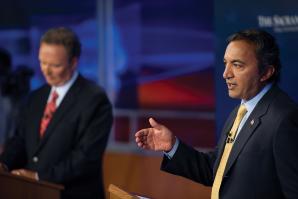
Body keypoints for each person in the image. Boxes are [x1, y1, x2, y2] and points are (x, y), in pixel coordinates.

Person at [135, 29, 298, 199]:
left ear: (266, 72)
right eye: (226, 63)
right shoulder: (241, 111)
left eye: (237, 65)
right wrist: (172, 146)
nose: (226, 74)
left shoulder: (285, 119)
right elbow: (217, 170)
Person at [0, 27, 113, 199]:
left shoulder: (95, 99)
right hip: (31, 193)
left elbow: (86, 158)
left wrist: (39, 177)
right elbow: (20, 139)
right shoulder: (36, 97)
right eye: (42, 62)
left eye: (55, 65)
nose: (46, 70)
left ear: (73, 62)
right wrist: (4, 164)